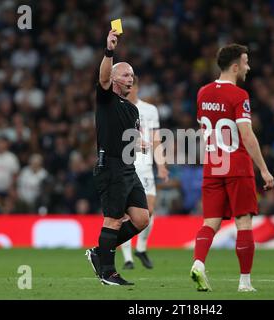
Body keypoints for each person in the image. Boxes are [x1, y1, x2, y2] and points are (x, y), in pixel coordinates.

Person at [190, 44, 274, 292]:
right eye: (246, 62)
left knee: (210, 222)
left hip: (213, 164)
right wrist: (264, 169)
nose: (248, 68)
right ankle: (245, 283)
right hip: (236, 164)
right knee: (243, 222)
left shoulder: (202, 93)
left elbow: (202, 128)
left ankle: (198, 263)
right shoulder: (239, 96)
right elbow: (246, 135)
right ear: (235, 66)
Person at [85, 29, 150, 286]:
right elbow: (102, 76)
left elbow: (129, 137)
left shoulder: (132, 108)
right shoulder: (106, 99)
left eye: (132, 75)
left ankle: (99, 252)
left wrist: (140, 142)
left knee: (142, 218)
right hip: (110, 166)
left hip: (128, 168)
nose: (130, 78)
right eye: (125, 74)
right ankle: (108, 272)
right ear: (113, 79)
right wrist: (109, 50)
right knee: (112, 219)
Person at [121, 76, 169, 270]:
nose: (128, 89)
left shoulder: (150, 110)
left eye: (130, 86)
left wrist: (162, 164)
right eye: (125, 86)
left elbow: (156, 139)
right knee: (124, 213)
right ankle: (127, 258)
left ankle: (140, 248)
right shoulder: (118, 108)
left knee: (148, 210)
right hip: (126, 165)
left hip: (146, 166)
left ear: (138, 88)